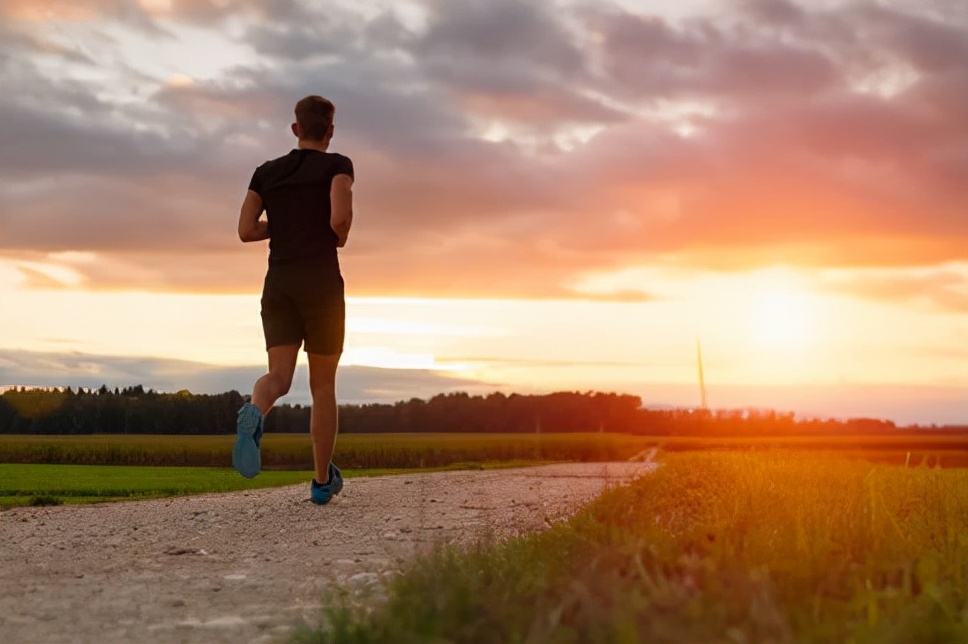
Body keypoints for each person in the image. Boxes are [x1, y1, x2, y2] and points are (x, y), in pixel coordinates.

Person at [233, 95, 354, 505]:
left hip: (279, 285)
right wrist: (337, 233)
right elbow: (339, 217)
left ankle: (256, 408)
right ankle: (322, 481)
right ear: (330, 131)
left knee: (278, 379)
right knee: (322, 387)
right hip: (321, 285)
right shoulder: (338, 165)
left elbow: (246, 230)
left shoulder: (266, 173)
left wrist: (282, 225)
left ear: (296, 129)